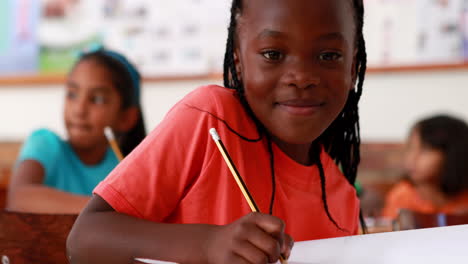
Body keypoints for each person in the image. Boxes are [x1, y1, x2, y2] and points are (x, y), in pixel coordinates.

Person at [67, 0, 368, 263]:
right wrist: (208, 244)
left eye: (329, 55)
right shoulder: (211, 121)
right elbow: (85, 240)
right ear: (238, 60)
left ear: (353, 67)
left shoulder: (342, 202)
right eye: (273, 54)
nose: (302, 77)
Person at [6, 48, 146, 214]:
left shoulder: (122, 169)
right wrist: (107, 211)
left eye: (97, 99)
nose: (79, 110)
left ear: (126, 118)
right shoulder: (45, 143)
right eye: (72, 94)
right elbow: (20, 198)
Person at [382, 115, 468, 219]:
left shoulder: (464, 197)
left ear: (452, 154)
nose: (412, 158)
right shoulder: (403, 196)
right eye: (410, 148)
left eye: (425, 149)